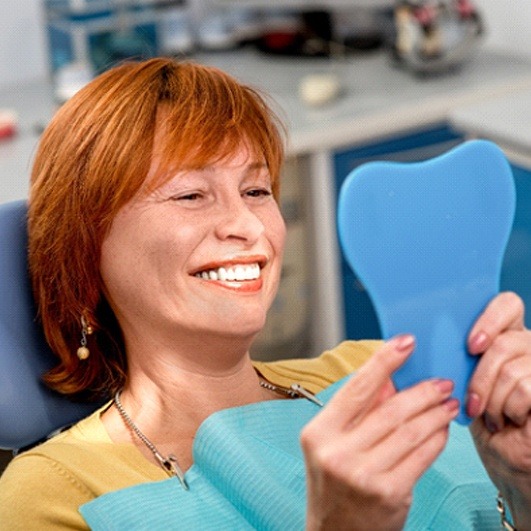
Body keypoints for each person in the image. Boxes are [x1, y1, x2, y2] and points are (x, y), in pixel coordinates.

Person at [0, 57, 530, 530]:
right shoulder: (55, 495)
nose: (247, 225)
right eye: (190, 194)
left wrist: (519, 483)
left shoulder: (384, 375)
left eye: (257, 190)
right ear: (87, 251)